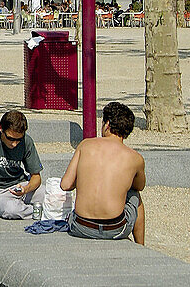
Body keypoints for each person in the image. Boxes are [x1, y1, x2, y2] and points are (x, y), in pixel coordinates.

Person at [62, 102, 145, 244]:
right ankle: (140, 245)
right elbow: (139, 186)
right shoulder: (135, 158)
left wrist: (84, 177)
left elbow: (66, 185)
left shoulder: (85, 145)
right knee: (134, 195)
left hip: (81, 227)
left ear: (107, 124)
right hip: (115, 228)